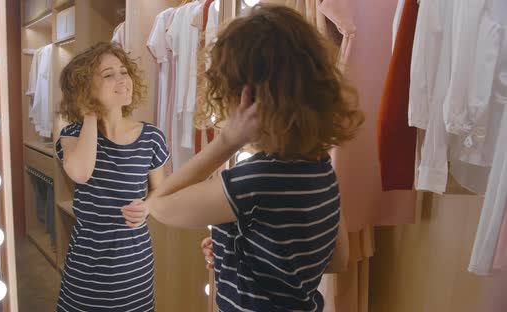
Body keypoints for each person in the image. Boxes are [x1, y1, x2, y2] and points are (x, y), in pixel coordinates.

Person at [122, 4, 363, 311]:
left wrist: (226, 141)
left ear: (243, 96)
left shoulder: (254, 180)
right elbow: (336, 259)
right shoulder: (319, 166)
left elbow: (159, 205)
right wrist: (234, 254)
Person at [55, 41, 169, 311]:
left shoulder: (152, 138)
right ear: (85, 88)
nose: (122, 80)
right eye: (108, 75)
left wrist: (148, 206)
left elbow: (161, 191)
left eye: (123, 71)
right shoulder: (71, 136)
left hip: (134, 261)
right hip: (86, 263)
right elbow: (81, 173)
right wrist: (91, 115)